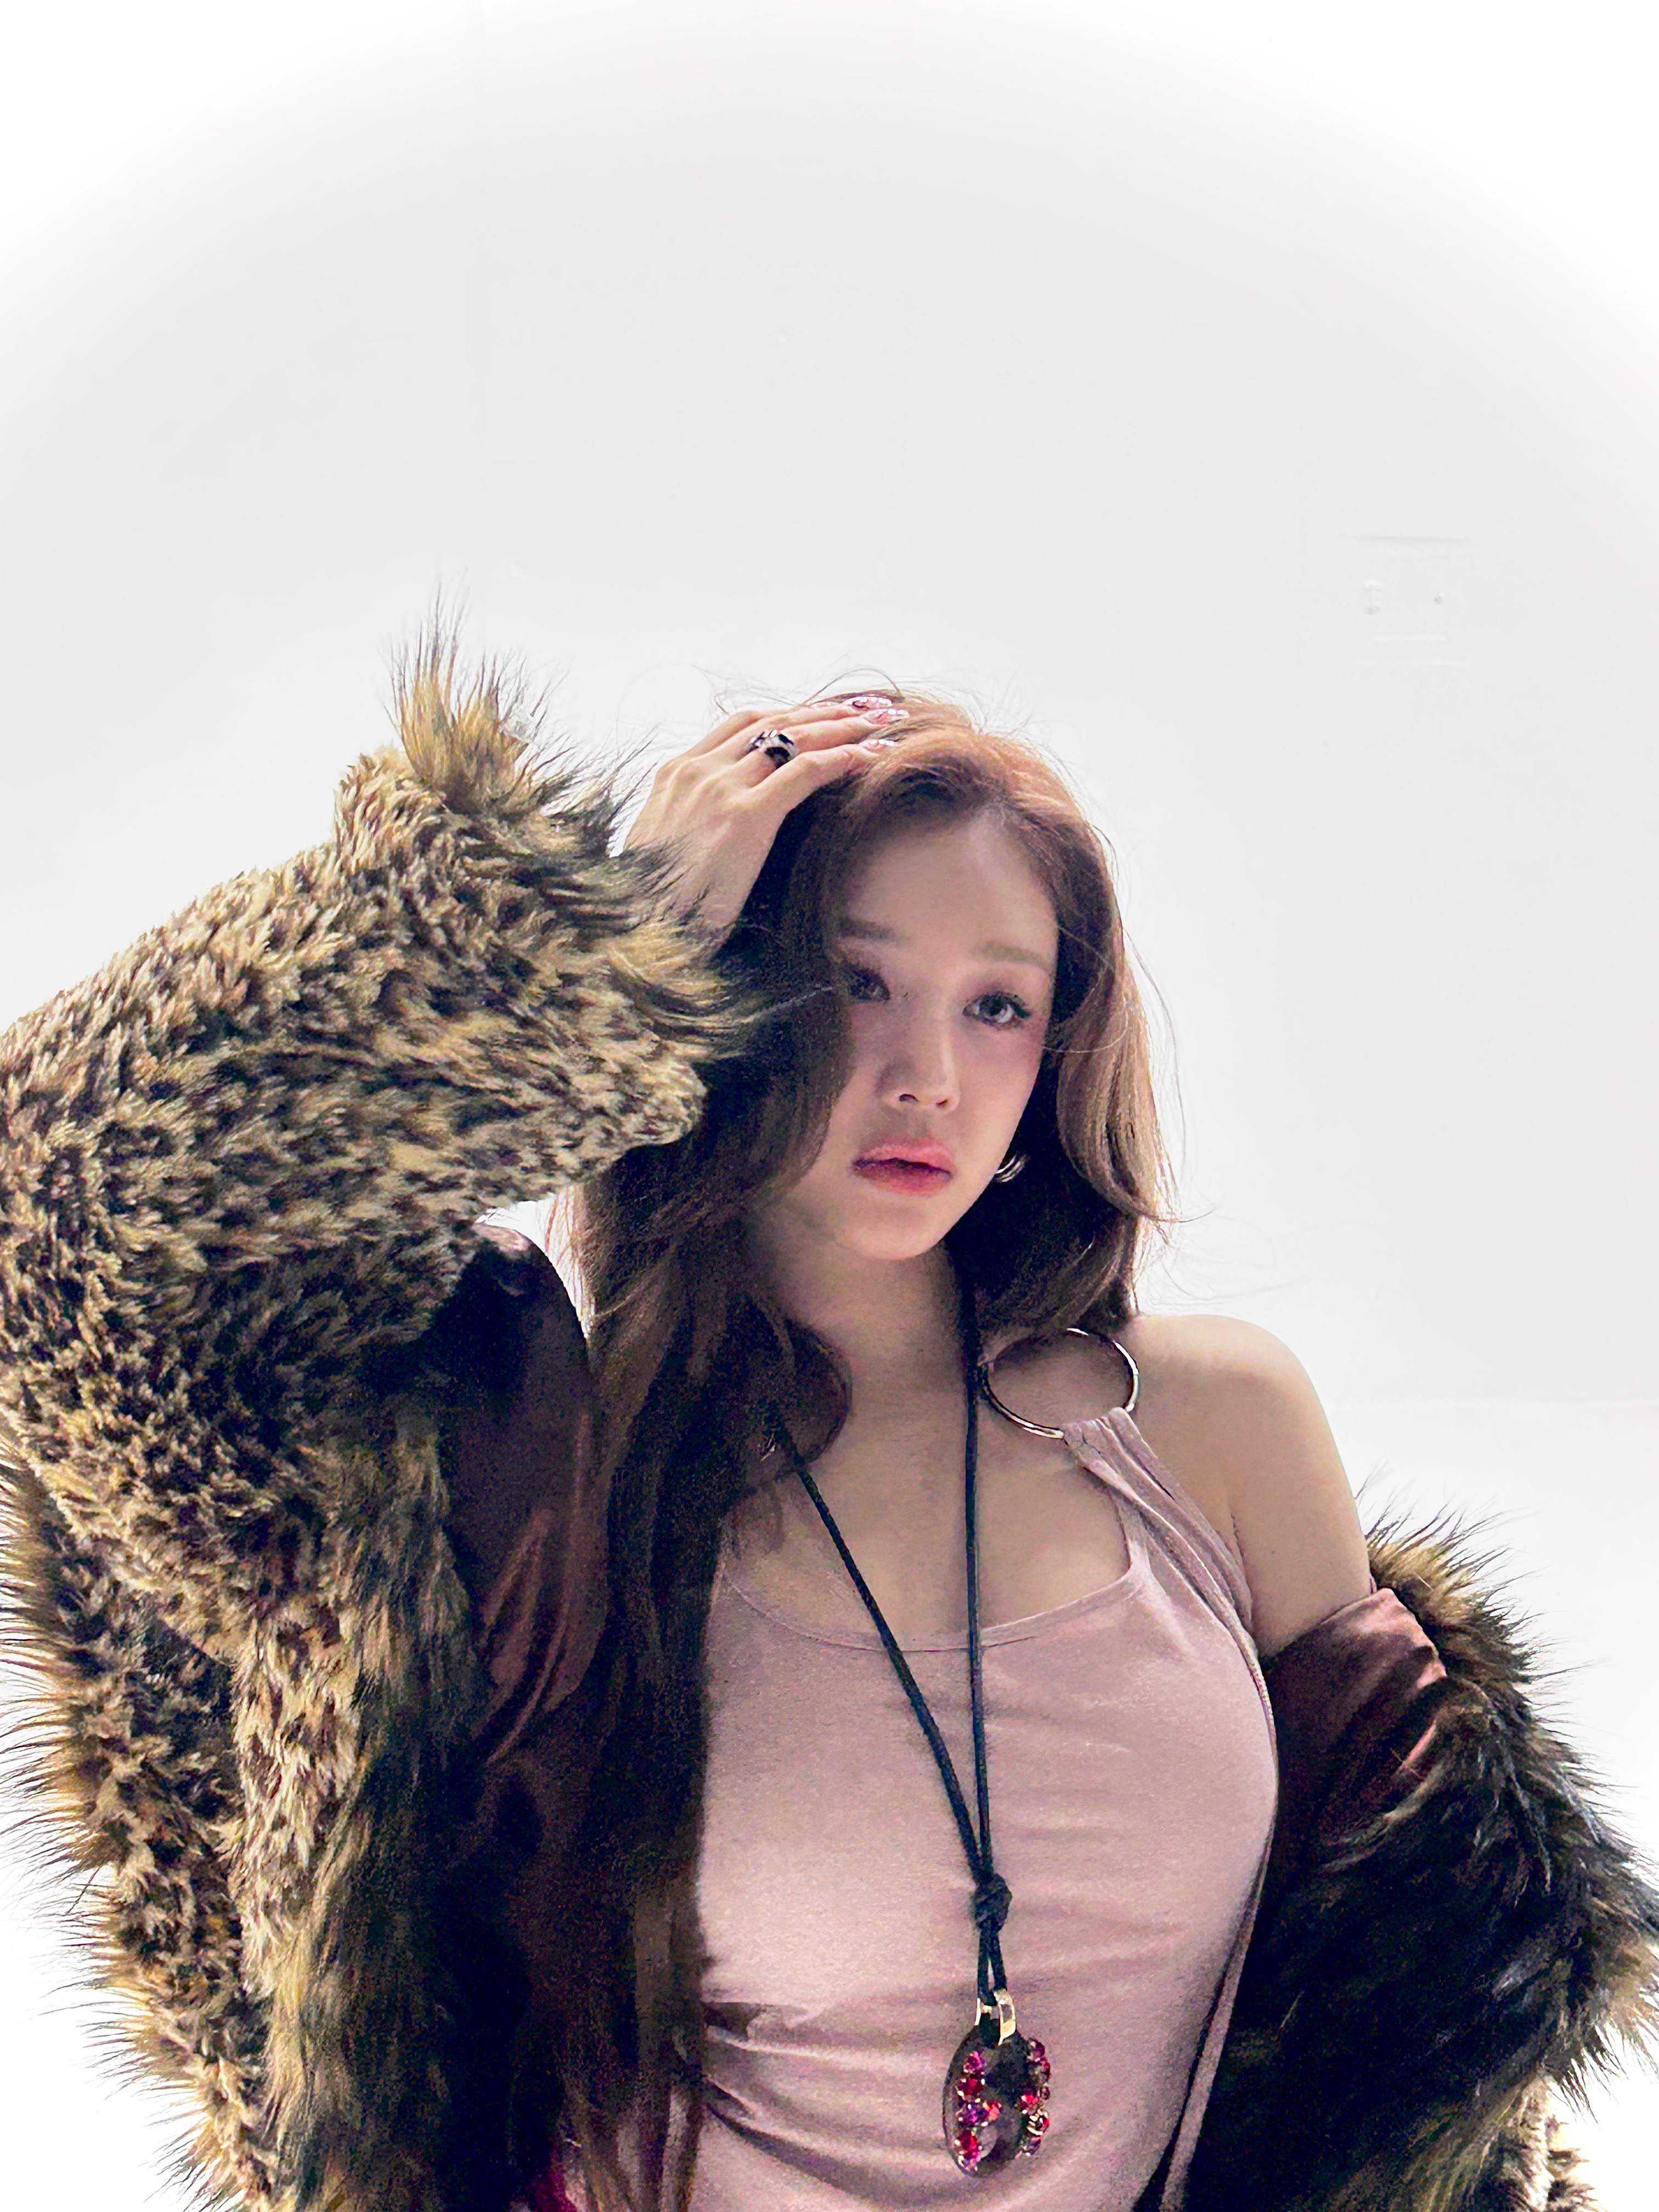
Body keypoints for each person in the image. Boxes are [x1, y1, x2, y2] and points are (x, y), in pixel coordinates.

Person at [0, 629, 1652, 2212]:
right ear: (728, 1002)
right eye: (857, 984)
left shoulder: (1213, 1432)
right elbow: (58, 1207)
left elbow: (1432, 2047)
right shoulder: (537, 1484)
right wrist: (585, 952)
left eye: (997, 1004)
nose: (926, 1071)